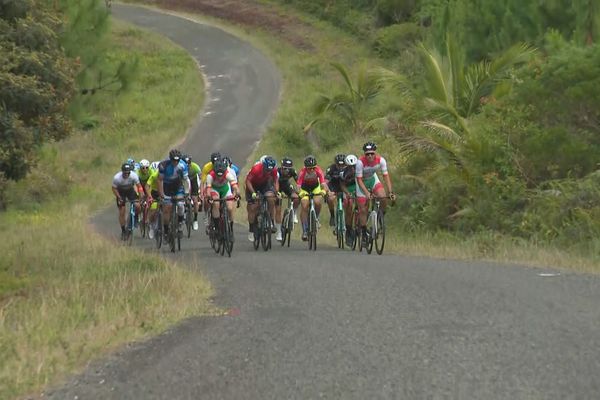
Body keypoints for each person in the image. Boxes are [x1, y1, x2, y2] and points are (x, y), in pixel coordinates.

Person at [355, 141, 396, 246]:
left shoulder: (381, 160)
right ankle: (364, 233)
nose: (369, 156)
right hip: (361, 183)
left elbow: (385, 176)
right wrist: (366, 193)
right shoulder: (360, 162)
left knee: (382, 197)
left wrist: (390, 192)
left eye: (372, 153)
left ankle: (380, 217)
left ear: (375, 153)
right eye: (367, 154)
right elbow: (359, 180)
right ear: (364, 154)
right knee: (363, 209)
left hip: (373, 179)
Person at [245, 155, 279, 242]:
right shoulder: (256, 169)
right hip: (253, 185)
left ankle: (271, 221)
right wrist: (253, 193)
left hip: (264, 184)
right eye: (267, 170)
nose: (268, 171)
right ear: (263, 166)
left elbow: (275, 181)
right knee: (253, 208)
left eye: (270, 170)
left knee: (271, 198)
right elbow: (248, 181)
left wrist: (276, 191)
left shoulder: (274, 170)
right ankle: (251, 230)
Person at [158, 149, 190, 239]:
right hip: (166, 187)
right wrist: (161, 194)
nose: (175, 162)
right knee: (167, 209)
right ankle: (166, 230)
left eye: (177, 160)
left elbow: (186, 180)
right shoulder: (163, 165)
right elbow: (159, 180)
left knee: (180, 205)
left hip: (178, 187)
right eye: (173, 160)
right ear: (170, 159)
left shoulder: (183, 165)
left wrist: (187, 193)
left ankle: (180, 225)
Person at [297, 155, 330, 241]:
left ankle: (316, 218)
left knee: (318, 202)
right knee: (304, 205)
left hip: (315, 187)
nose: (312, 170)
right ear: (306, 168)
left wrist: (323, 191)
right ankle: (304, 229)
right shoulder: (302, 172)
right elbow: (298, 186)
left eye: (313, 168)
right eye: (309, 168)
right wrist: (300, 193)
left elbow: (324, 184)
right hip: (305, 188)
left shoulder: (318, 170)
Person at [205, 158, 240, 230]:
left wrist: (237, 194)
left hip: (225, 189)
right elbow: (208, 189)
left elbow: (235, 186)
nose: (220, 177)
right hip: (215, 189)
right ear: (214, 172)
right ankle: (217, 226)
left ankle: (231, 226)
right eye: (218, 175)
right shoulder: (210, 176)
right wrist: (209, 197)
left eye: (221, 175)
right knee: (216, 204)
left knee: (230, 208)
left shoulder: (228, 174)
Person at [112, 163, 142, 238]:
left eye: (128, 172)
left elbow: (139, 186)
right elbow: (114, 188)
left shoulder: (133, 175)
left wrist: (141, 195)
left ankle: (135, 218)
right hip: (120, 192)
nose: (126, 174)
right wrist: (119, 197)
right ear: (122, 172)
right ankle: (123, 231)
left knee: (138, 206)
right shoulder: (117, 178)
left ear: (130, 172)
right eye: (125, 173)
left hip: (130, 191)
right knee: (122, 211)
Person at [275, 156, 299, 241]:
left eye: (289, 168)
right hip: (276, 186)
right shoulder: (276, 172)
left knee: (296, 197)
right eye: (285, 168)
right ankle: (279, 232)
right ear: (281, 167)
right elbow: (275, 184)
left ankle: (294, 212)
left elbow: (299, 182)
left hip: (286, 185)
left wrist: (300, 191)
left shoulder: (292, 171)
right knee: (278, 209)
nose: (287, 170)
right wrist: (278, 193)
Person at [340, 154, 358, 246]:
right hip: (348, 188)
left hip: (358, 187)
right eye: (350, 167)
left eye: (354, 166)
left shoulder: (361, 168)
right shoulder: (343, 172)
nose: (353, 169)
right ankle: (348, 230)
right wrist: (347, 193)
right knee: (349, 204)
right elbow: (342, 185)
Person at [325, 153, 347, 228]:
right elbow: (326, 180)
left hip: (344, 187)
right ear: (335, 164)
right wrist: (328, 191)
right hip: (333, 187)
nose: (341, 167)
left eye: (342, 165)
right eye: (339, 165)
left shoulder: (349, 168)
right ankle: (332, 216)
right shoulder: (331, 168)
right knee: (331, 199)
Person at [183, 155, 202, 230]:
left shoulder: (195, 167)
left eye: (189, 164)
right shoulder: (180, 166)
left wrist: (200, 190)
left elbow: (200, 178)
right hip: (184, 180)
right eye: (186, 165)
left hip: (193, 179)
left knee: (195, 200)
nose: (187, 166)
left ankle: (195, 219)